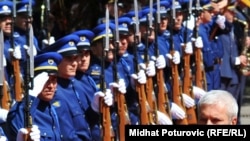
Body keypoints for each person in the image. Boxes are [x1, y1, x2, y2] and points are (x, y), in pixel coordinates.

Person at [42, 33, 113, 140]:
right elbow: (68, 136)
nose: (75, 63)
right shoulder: (55, 92)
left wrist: (95, 109)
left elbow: (86, 124)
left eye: (75, 58)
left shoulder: (75, 85)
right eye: (69, 59)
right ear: (57, 63)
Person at [6, 52, 63, 141]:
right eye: (46, 80)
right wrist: (31, 96)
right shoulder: (19, 110)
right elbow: (18, 130)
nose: (51, 86)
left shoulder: (51, 108)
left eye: (54, 80)